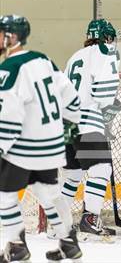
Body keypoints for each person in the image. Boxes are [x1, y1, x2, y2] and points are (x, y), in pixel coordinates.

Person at [0, 15, 82, 261]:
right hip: (51, 145)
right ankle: (69, 242)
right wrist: (73, 120)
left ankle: (17, 246)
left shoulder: (9, 69)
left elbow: (10, 114)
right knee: (48, 193)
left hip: (24, 147)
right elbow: (70, 97)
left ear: (11, 37)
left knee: (4, 196)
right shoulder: (43, 59)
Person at [60, 18, 121, 235]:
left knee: (73, 174)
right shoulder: (106, 53)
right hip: (88, 122)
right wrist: (109, 107)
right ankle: (90, 218)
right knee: (101, 169)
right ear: (107, 37)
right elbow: (103, 96)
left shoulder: (74, 57)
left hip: (66, 124)